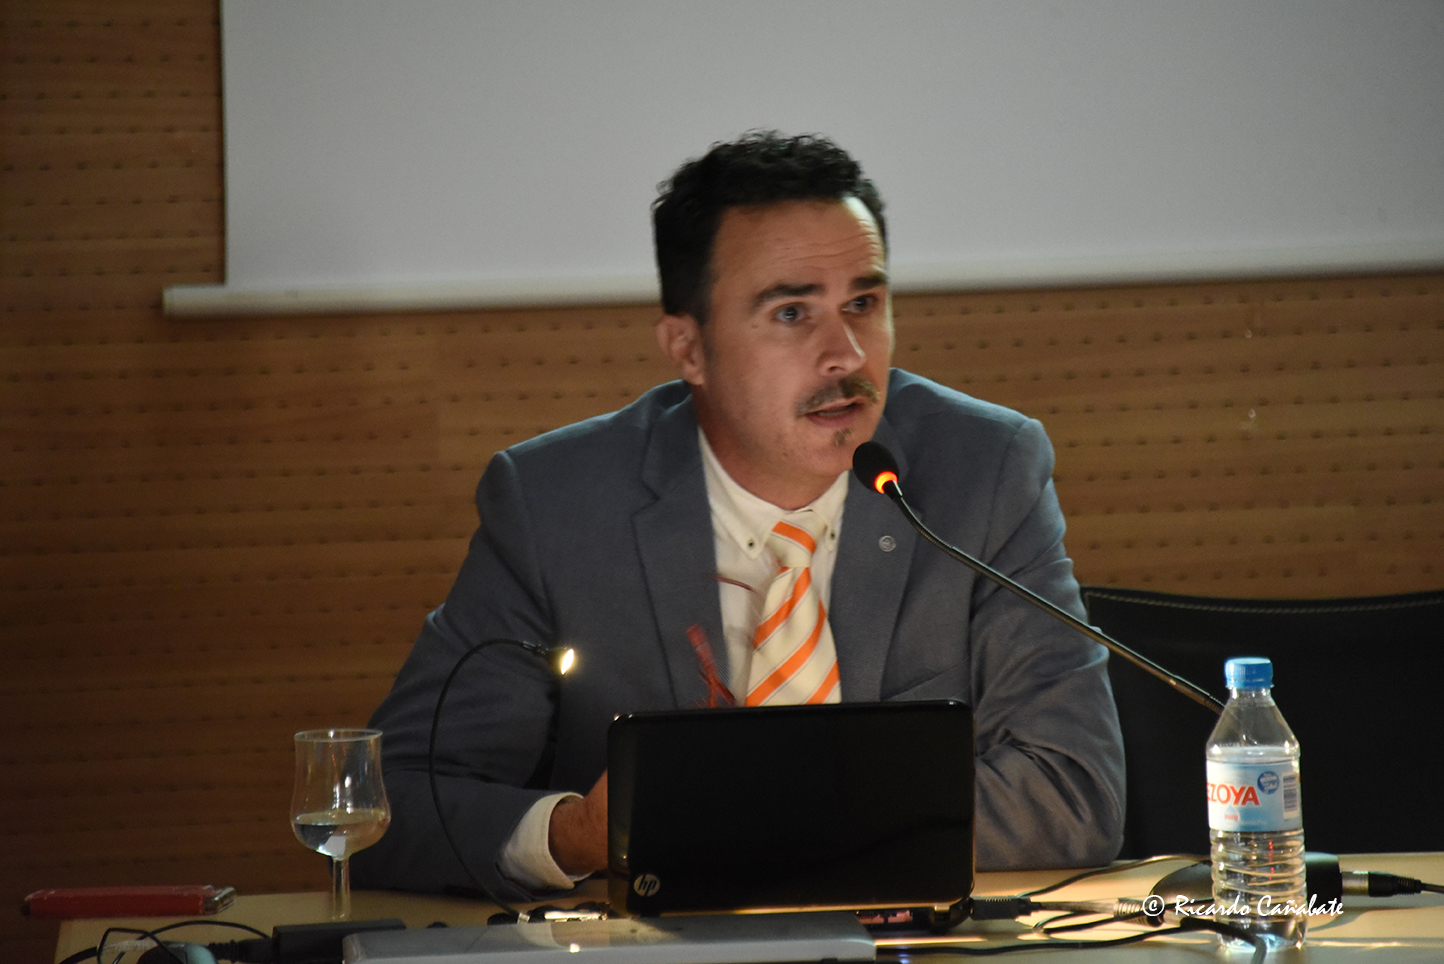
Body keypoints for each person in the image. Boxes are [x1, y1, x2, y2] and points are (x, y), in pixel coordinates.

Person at [351, 131, 1125, 900]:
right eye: (791, 313)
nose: (847, 355)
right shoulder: (557, 505)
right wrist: (575, 834)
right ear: (688, 349)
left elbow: (1074, 791)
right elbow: (393, 806)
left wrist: (731, 822)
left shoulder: (984, 471)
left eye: (863, 303)